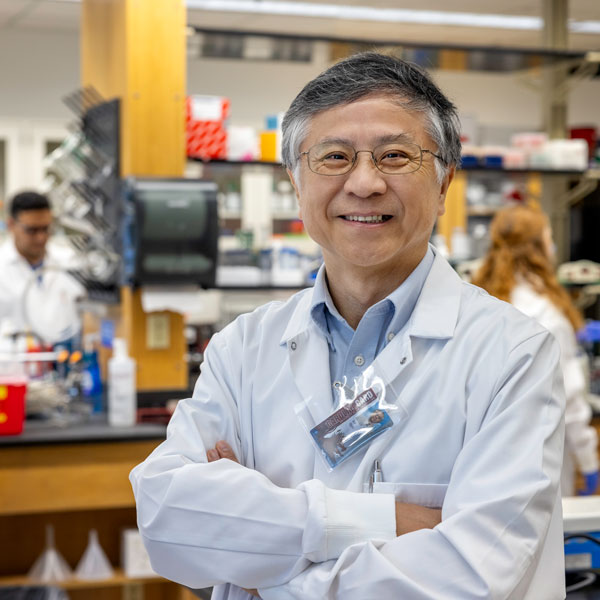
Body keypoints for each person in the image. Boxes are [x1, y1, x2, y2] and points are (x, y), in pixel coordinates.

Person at [130, 52, 565, 599]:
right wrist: (386, 521)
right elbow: (169, 520)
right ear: (294, 179)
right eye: (333, 156)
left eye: (395, 156)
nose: (364, 182)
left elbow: (470, 579)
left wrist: (258, 551)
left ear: (444, 179)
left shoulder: (511, 355)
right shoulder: (242, 348)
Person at [472, 203, 598, 497]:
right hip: (539, 463)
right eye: (548, 237)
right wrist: (588, 459)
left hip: (483, 461)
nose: (552, 246)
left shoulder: (480, 301)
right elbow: (570, 400)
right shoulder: (547, 315)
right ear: (537, 247)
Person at [0, 191, 84, 346]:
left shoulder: (69, 261)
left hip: (61, 359)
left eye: (46, 229)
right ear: (11, 225)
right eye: (32, 230)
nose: (41, 237)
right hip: (12, 365)